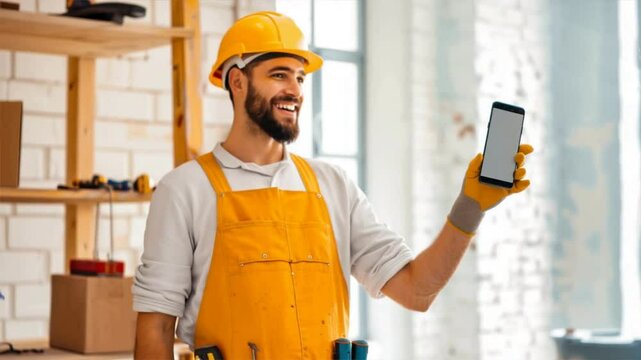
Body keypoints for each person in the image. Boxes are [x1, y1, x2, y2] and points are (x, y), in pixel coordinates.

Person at [132, 11, 533, 359]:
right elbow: (154, 329)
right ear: (237, 82)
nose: (295, 90)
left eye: (300, 78)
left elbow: (416, 292)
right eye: (278, 75)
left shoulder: (333, 186)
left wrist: (471, 206)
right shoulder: (184, 190)